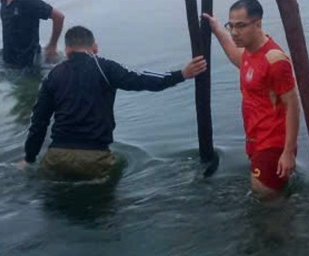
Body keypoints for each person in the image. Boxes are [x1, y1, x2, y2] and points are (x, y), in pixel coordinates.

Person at [23, 25, 205, 179]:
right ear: (95, 48)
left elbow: (38, 121)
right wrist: (181, 74)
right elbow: (141, 79)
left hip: (57, 159)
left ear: (68, 50)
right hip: (96, 159)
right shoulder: (106, 68)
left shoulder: (53, 75)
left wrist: (29, 158)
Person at [205, 0, 301, 199]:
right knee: (264, 197)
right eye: (230, 26)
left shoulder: (274, 60)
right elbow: (236, 56)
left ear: (258, 24)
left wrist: (288, 152)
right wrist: (216, 30)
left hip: (273, 143)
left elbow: (293, 105)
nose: (234, 32)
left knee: (266, 198)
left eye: (240, 26)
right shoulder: (249, 52)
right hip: (255, 139)